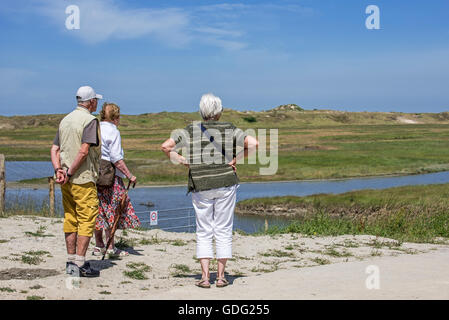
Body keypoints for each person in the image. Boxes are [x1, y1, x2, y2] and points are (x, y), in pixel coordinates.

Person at [161, 93, 258, 288]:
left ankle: (205, 277)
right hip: (226, 182)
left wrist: (183, 161)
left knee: (204, 230)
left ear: (202, 112)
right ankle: (221, 277)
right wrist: (235, 159)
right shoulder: (229, 128)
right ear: (219, 112)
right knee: (223, 229)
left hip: (200, 184)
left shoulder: (190, 129)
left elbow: (166, 146)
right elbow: (254, 144)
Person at [50, 85, 103, 277]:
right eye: (96, 100)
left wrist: (59, 171)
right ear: (91, 102)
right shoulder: (90, 121)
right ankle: (80, 264)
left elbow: (54, 149)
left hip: (65, 179)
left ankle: (71, 261)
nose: (97, 103)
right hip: (82, 178)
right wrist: (71, 172)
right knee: (86, 218)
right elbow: (84, 150)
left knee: (70, 217)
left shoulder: (65, 120)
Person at [93, 103, 140, 257]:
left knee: (98, 209)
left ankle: (99, 244)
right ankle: (111, 246)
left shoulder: (95, 127)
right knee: (113, 209)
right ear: (115, 118)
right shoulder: (113, 131)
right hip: (110, 176)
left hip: (94, 173)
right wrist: (129, 175)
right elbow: (116, 158)